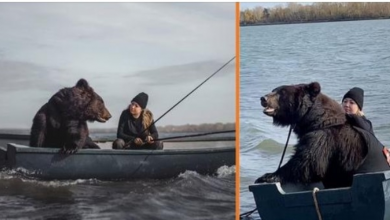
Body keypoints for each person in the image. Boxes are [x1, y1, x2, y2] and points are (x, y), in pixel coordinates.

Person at [342, 87, 390, 165]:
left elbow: (367, 131)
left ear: (359, 107)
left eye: (352, 103)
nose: (347, 105)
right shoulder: (339, 119)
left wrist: (354, 116)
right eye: (345, 101)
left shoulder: (365, 123)